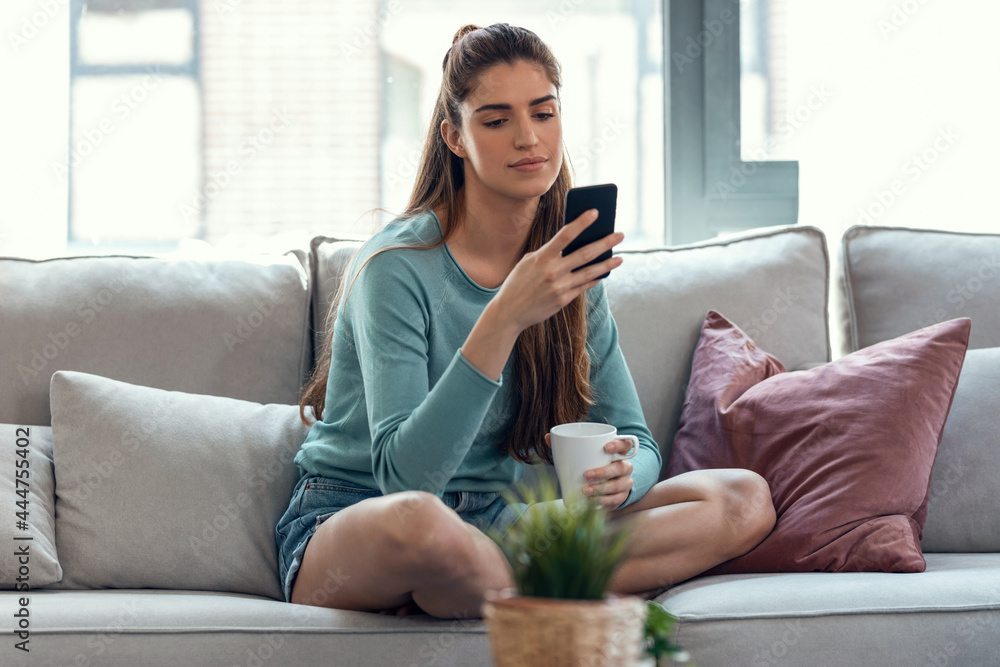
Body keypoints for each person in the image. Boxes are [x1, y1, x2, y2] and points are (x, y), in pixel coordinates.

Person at [274, 22, 775, 619]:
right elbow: (407, 480)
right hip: (362, 513)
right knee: (422, 525)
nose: (527, 138)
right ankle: (523, 579)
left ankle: (488, 583)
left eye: (543, 113)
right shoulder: (395, 268)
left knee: (744, 499)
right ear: (454, 137)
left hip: (504, 523)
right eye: (496, 120)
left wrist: (622, 478)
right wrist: (505, 315)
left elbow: (637, 441)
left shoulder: (566, 266)